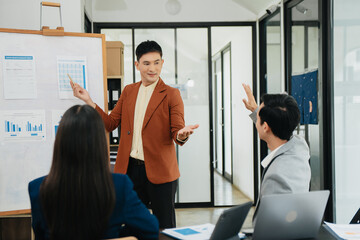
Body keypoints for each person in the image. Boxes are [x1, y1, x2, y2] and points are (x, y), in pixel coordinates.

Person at [71, 40, 199, 228]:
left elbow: (176, 131)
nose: (152, 68)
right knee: (131, 224)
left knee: (165, 227)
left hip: (161, 172)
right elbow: (110, 123)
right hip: (130, 170)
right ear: (137, 65)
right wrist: (89, 100)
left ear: (162, 63)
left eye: (156, 63)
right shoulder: (129, 91)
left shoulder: (172, 94)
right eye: (146, 63)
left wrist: (181, 134)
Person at [28, 105, 159, 240]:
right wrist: (118, 234)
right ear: (99, 142)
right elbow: (150, 229)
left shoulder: (37, 188)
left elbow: (41, 235)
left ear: (60, 142)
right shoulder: (119, 186)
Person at [242, 83, 311, 223]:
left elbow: (270, 226)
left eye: (259, 119)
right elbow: (273, 126)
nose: (257, 122)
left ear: (266, 126)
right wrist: (257, 111)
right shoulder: (300, 147)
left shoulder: (277, 176)